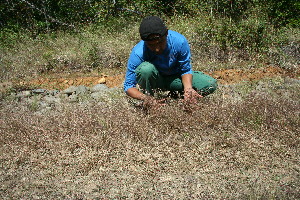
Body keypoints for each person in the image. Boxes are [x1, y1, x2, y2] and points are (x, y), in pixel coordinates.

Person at [124, 16, 217, 106]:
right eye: (151, 45)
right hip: (156, 81)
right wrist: (145, 98)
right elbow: (128, 86)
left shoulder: (179, 41)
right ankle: (151, 102)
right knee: (145, 70)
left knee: (209, 84)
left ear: (166, 34)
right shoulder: (138, 52)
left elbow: (185, 70)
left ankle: (177, 97)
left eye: (160, 42)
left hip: (176, 79)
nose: (157, 49)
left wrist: (188, 89)